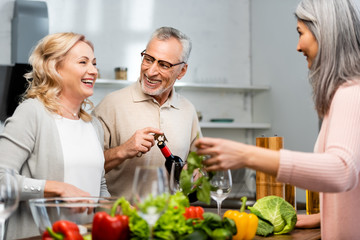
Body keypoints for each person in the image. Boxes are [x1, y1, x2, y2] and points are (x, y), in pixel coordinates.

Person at [195, 0, 360, 239]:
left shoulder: (351, 92)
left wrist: (246, 155)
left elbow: (342, 171)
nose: (297, 46)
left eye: (300, 33)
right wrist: (323, 215)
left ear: (324, 32)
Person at [0, 32, 110, 239]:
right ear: (55, 68)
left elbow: (99, 185)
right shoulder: (32, 112)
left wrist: (120, 212)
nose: (93, 71)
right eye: (83, 62)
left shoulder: (93, 124)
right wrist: (56, 188)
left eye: (94, 63)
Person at [93, 26, 201, 199]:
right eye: (149, 59)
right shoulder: (110, 104)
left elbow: (199, 162)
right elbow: (87, 168)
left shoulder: (188, 109)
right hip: (123, 219)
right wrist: (123, 150)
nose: (151, 71)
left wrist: (197, 171)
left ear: (182, 71)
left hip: (172, 218)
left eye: (164, 65)